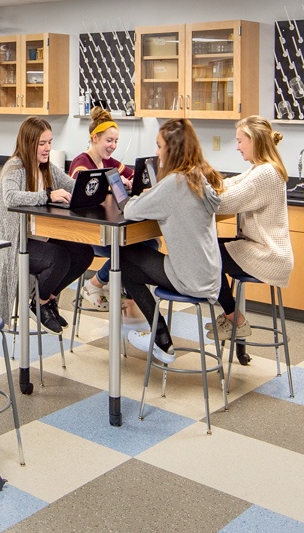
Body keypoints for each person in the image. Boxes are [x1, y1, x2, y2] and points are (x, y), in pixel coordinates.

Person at [122, 119, 223, 364]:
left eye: (159, 146)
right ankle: (159, 335)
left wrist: (148, 197)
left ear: (172, 149)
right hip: (209, 273)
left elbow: (130, 211)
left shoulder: (175, 183)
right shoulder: (198, 177)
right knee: (131, 260)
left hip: (190, 278)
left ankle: (160, 337)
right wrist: (155, 196)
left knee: (123, 261)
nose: (156, 153)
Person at [0, 117, 95, 335]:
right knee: (59, 258)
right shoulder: (14, 167)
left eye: (50, 142)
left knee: (84, 253)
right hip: (14, 243)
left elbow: (74, 186)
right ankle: (38, 303)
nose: (48, 148)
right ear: (29, 143)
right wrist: (47, 195)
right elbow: (10, 197)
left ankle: (46, 299)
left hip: (39, 237)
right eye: (42, 143)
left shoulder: (48, 168)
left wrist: (107, 186)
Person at [207, 116, 293, 340]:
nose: (237, 147)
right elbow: (230, 184)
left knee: (202, 255)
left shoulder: (265, 174)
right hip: (260, 249)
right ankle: (233, 318)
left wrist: (196, 192)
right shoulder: (262, 169)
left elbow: (225, 202)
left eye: (240, 141)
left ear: (253, 140)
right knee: (206, 249)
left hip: (267, 256)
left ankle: (235, 319)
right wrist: (204, 182)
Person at [69, 107, 156, 326]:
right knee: (134, 249)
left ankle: (125, 293)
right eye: (109, 140)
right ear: (95, 138)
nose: (113, 146)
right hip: (90, 234)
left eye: (116, 141)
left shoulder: (109, 162)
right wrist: (111, 186)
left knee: (150, 242)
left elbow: (134, 175)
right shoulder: (81, 163)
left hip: (111, 229)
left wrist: (129, 180)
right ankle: (99, 283)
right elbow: (82, 190)